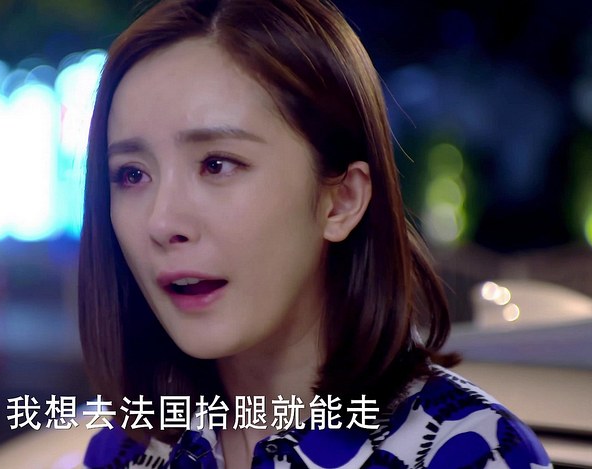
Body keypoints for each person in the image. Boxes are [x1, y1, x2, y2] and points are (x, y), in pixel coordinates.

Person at [77, 0, 552, 467]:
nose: (163, 223)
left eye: (217, 164)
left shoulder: (473, 452)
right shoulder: (126, 453)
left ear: (342, 199)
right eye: (132, 175)